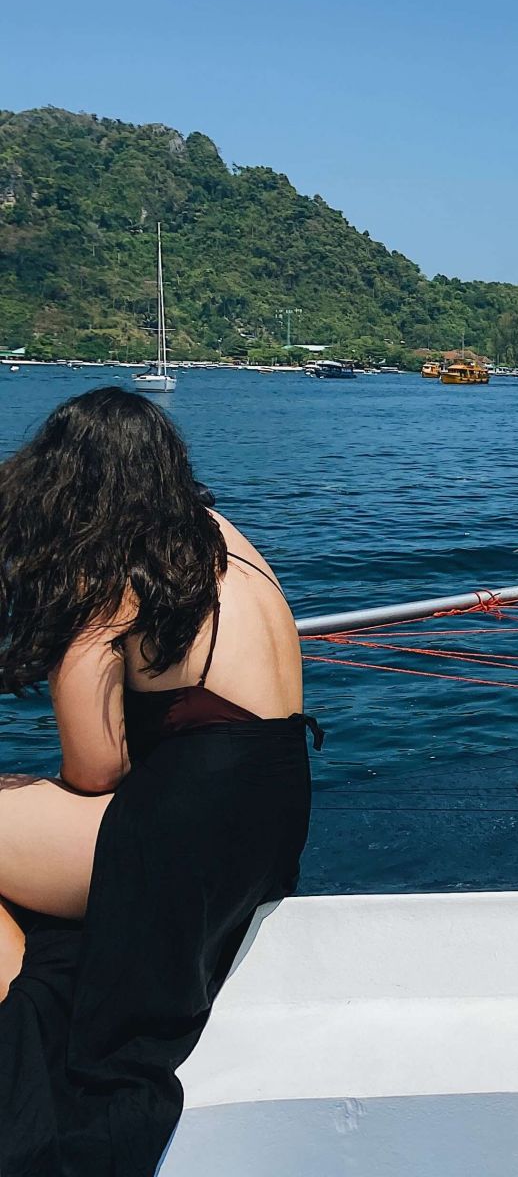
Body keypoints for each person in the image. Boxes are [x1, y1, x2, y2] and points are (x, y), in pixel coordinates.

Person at [0, 388, 315, 1175]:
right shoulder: (223, 538)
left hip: (180, 851)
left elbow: (95, 767)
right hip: (266, 834)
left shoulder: (112, 571)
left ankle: (18, 1022)